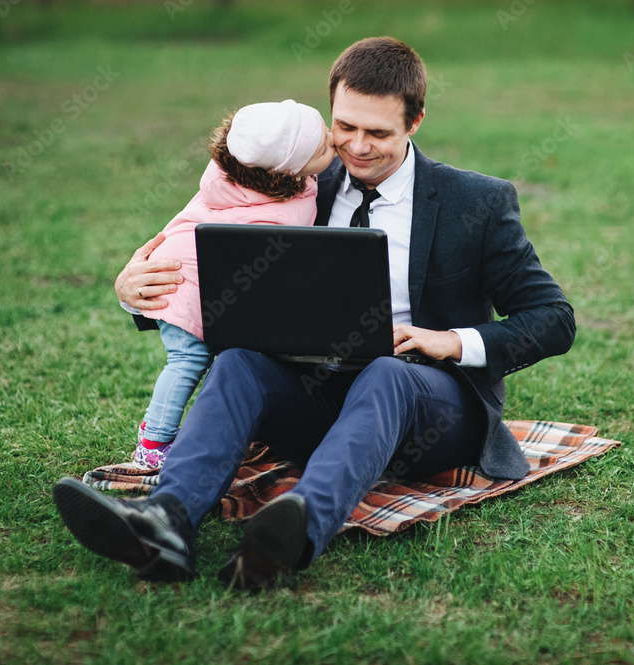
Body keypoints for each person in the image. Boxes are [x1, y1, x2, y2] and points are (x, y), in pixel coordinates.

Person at [54, 37, 576, 588]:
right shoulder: (298, 181)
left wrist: (451, 340)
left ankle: (293, 529)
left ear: (415, 121)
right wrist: (131, 287)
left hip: (430, 408)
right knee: (238, 362)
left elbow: (553, 317)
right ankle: (166, 521)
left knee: (386, 373)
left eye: (378, 133)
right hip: (316, 396)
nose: (357, 146)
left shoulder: (477, 203)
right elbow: (203, 256)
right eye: (345, 127)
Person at [130, 100, 336, 470]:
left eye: (325, 130)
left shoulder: (242, 178)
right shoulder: (280, 211)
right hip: (184, 279)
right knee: (188, 358)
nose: (333, 140)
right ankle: (153, 442)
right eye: (322, 147)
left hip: (198, 270)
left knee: (213, 362)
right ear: (289, 171)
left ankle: (187, 433)